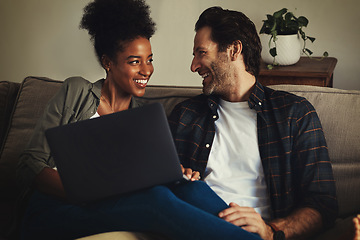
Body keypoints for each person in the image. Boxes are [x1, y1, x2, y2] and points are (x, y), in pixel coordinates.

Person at [16, 1, 263, 240]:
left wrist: (173, 172)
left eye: (150, 59)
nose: (147, 70)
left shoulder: (145, 116)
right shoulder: (77, 91)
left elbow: (139, 177)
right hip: (55, 209)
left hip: (111, 205)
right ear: (108, 62)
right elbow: (30, 163)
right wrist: (87, 192)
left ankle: (252, 234)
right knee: (155, 201)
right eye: (135, 61)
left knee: (190, 186)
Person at [168, 6, 340, 240]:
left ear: (233, 50)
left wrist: (270, 231)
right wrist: (178, 177)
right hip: (195, 224)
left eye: (201, 53)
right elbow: (164, 188)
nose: (194, 65)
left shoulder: (294, 114)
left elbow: (322, 204)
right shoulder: (185, 116)